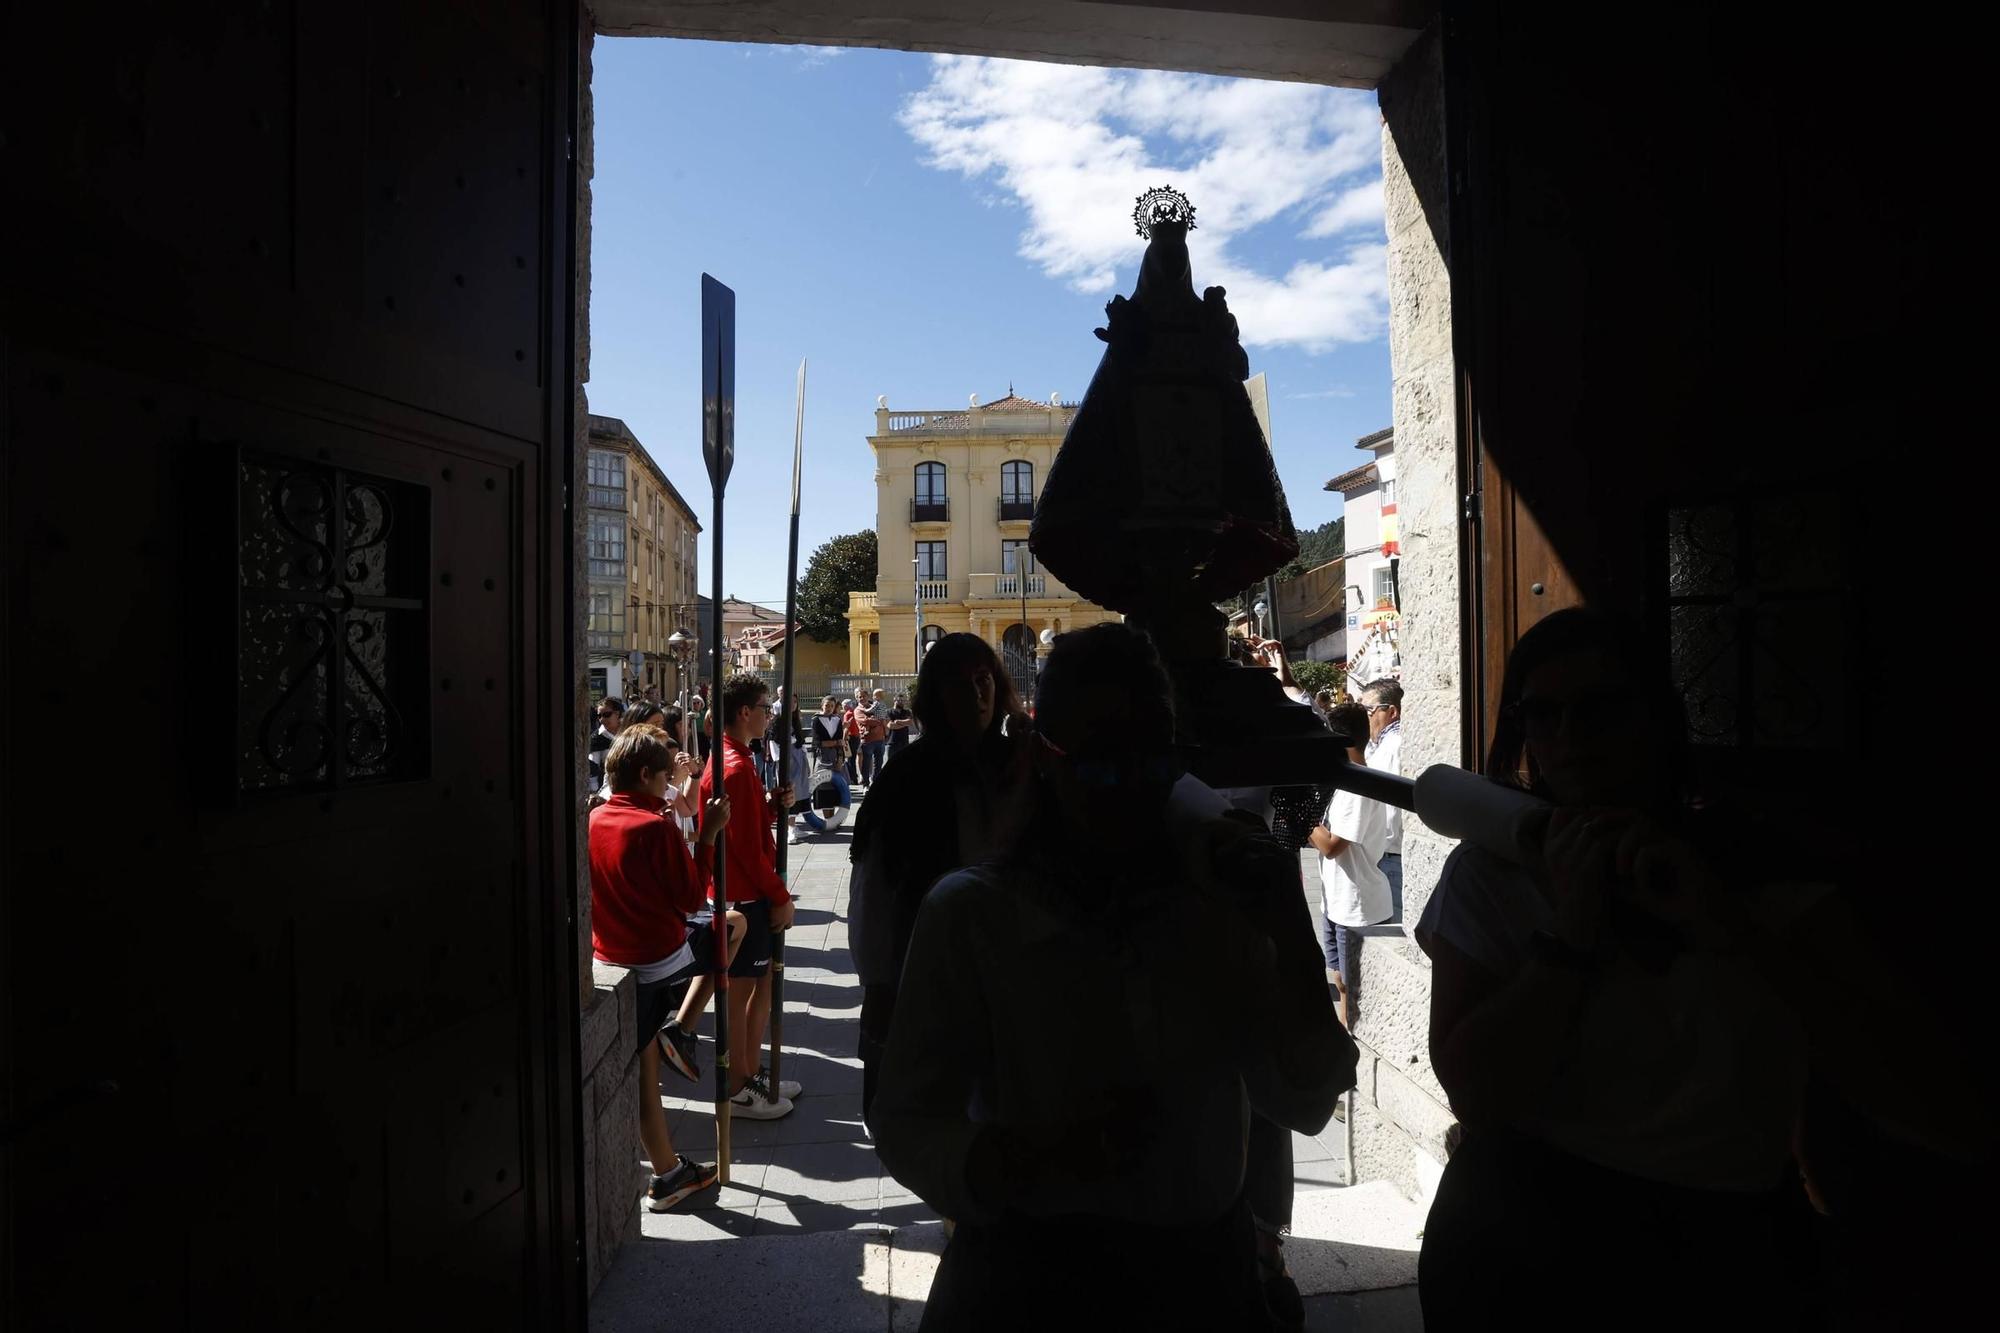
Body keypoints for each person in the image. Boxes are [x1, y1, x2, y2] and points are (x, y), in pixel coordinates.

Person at [1413, 607, 1943, 1328]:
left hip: (1720, 1257)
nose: (1570, 740)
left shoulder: (1771, 879)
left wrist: (1731, 927)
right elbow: (1477, 1094)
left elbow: (1927, 1096)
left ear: (1658, 719)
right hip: (1520, 1245)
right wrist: (1572, 933)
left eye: (1600, 709)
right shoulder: (1489, 875)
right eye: (1543, 714)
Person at [871, 624, 1351, 1330]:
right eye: (1099, 764)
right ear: (1045, 760)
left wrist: (1288, 926)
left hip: (1199, 1279)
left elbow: (1305, 1098)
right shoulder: (972, 916)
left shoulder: (1220, 910)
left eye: (1149, 760)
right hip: (1030, 1281)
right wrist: (1025, 1161)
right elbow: (906, 1119)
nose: (1127, 792)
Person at [849, 633, 1034, 1122]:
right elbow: (873, 893)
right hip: (925, 967)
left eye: (984, 681)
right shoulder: (906, 777)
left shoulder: (1019, 763)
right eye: (961, 685)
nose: (977, 696)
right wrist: (880, 984)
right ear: (936, 695)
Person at [588, 723, 743, 1210]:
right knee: (733, 923)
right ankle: (686, 1026)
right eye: (663, 780)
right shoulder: (654, 827)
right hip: (656, 959)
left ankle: (667, 1170)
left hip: (609, 953)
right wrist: (709, 836)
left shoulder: (594, 818)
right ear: (645, 774)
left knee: (643, 1069)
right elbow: (692, 896)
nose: (669, 788)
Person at [698, 673, 801, 1117]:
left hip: (743, 893)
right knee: (740, 995)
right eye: (764, 706)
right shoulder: (735, 766)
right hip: (742, 896)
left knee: (761, 986)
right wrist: (779, 895)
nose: (769, 714)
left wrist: (769, 805)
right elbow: (744, 851)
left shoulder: (738, 758)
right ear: (744, 712)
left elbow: (748, 828)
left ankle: (751, 1069)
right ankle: (739, 1086)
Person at [1309, 703, 1394, 1031]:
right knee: (1341, 979)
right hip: (1339, 900)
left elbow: (1331, 846)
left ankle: (1353, 1039)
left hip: (1358, 904)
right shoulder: (1347, 781)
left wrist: (1301, 817)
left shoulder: (1358, 787)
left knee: (1355, 989)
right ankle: (1347, 1030)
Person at [1360, 678, 1404, 921]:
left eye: (1368, 710)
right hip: (1383, 857)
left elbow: (1388, 810)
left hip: (1387, 859)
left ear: (1392, 711)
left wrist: (1373, 851)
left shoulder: (1394, 745)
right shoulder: (1377, 744)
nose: (1364, 716)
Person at [806, 695, 853, 835]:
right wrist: (835, 743)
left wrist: (840, 758)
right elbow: (817, 742)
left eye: (832, 706)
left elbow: (840, 740)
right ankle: (828, 821)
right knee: (824, 788)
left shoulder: (838, 719)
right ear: (822, 705)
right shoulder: (816, 720)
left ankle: (834, 819)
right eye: (827, 706)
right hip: (822, 757)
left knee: (836, 788)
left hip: (835, 758)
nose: (829, 708)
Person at [586, 697, 624, 793]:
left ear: (617, 713)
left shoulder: (629, 732)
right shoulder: (596, 739)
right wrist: (595, 792)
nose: (602, 719)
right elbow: (593, 768)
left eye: (606, 715)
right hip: (609, 789)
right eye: (599, 716)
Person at [857, 688, 890, 785]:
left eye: (864, 696)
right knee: (866, 764)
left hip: (880, 739)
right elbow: (866, 721)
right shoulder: (858, 710)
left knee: (878, 764)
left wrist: (880, 723)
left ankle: (876, 783)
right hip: (868, 741)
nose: (862, 698)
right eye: (860, 697)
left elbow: (886, 719)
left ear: (868, 696)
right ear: (857, 698)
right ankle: (866, 784)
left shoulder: (875, 705)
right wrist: (879, 722)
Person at [884, 690, 914, 764]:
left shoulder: (907, 712)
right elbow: (890, 725)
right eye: (899, 700)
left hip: (904, 743)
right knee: (891, 765)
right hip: (892, 743)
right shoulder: (888, 712)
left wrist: (898, 722)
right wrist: (905, 723)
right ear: (894, 700)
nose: (901, 702)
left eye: (903, 700)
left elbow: (910, 722)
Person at [841, 700, 861, 784]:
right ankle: (854, 778)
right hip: (857, 737)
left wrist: (843, 739)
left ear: (845, 706)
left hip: (850, 738)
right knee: (853, 758)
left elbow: (846, 728)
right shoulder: (855, 712)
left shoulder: (848, 714)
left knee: (850, 759)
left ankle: (852, 778)